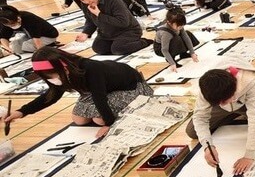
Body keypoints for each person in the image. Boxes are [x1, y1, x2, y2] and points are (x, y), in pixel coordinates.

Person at [3, 46, 153, 138]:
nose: (52, 80)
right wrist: (22, 112)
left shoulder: (90, 68)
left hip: (130, 86)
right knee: (79, 119)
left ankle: (109, 118)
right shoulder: (63, 74)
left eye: (52, 75)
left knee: (99, 120)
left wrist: (109, 124)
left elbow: (99, 98)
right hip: (102, 90)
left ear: (63, 68)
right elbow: (52, 96)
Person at [188, 66, 255, 175]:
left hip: (245, 103)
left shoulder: (249, 81)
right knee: (192, 131)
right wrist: (208, 146)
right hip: (221, 105)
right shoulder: (207, 87)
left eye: (225, 101)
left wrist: (249, 155)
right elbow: (200, 117)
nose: (223, 103)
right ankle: (231, 114)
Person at [74, 0, 151, 55]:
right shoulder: (85, 5)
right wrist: (86, 33)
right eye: (82, 0)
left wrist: (99, 14)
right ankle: (118, 44)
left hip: (127, 31)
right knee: (98, 48)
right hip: (107, 33)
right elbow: (90, 20)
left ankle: (144, 42)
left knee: (118, 49)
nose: (86, 2)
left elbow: (123, 22)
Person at [154, 8, 199, 72]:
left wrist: (192, 53)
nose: (181, 27)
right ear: (169, 22)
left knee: (188, 34)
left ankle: (183, 54)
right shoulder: (166, 33)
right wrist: (172, 63)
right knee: (177, 39)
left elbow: (186, 38)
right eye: (179, 26)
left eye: (182, 26)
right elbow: (164, 50)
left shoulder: (179, 26)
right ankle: (172, 59)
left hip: (171, 43)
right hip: (160, 48)